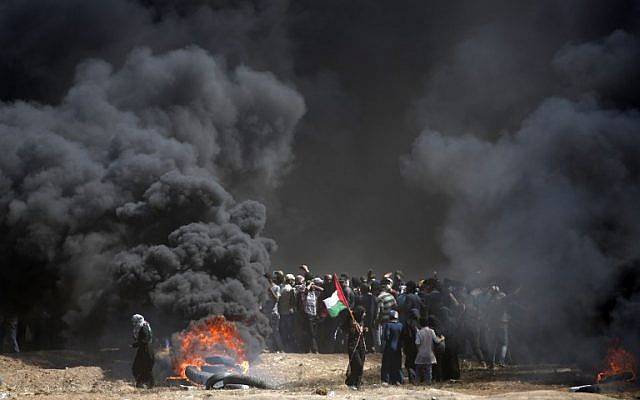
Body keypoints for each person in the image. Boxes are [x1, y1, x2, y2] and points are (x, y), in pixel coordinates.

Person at [415, 317, 445, 385]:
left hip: (421, 354)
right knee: (429, 370)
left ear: (420, 324)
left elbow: (417, 343)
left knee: (418, 369)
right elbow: (436, 341)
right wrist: (442, 339)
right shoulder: (431, 331)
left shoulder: (419, 332)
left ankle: (417, 382)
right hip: (430, 354)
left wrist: (418, 350)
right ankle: (428, 382)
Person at [344, 306, 367, 390]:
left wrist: (364, 330)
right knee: (357, 365)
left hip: (361, 346)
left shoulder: (361, 321)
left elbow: (363, 334)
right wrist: (353, 327)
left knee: (361, 366)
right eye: (363, 313)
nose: (365, 314)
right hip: (353, 346)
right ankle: (350, 382)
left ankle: (357, 384)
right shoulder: (351, 321)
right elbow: (348, 332)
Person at [131, 314, 154, 388]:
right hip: (143, 349)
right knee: (137, 367)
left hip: (146, 350)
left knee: (145, 368)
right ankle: (142, 383)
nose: (133, 323)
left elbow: (145, 339)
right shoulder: (141, 327)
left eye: (135, 321)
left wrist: (136, 345)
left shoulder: (143, 327)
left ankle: (148, 384)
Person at [380, 310, 403, 385]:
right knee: (397, 364)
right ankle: (398, 380)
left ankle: (386, 380)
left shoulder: (388, 325)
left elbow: (385, 336)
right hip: (398, 348)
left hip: (389, 347)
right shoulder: (400, 325)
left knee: (387, 364)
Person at [263, 272, 284, 352]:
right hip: (266, 313)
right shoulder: (264, 288)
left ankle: (280, 348)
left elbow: (277, 299)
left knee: (275, 331)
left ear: (269, 279)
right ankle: (270, 348)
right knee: (266, 331)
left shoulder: (276, 287)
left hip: (274, 313)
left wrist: (270, 290)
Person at [401, 308, 420, 384]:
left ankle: (413, 379)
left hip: (410, 347)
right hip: (413, 346)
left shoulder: (407, 324)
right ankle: (414, 379)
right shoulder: (416, 324)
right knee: (412, 363)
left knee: (410, 363)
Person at [278, 274, 296, 352]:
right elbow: (293, 301)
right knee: (289, 330)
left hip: (281, 312)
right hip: (288, 313)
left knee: (283, 330)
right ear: (291, 280)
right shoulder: (290, 289)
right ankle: (289, 348)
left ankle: (283, 346)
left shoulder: (281, 287)